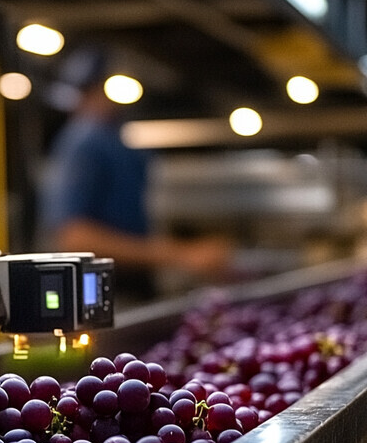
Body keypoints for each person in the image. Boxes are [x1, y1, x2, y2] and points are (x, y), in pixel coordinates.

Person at [38, 47, 233, 304]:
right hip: (102, 295)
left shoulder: (117, 140)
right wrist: (181, 255)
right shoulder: (84, 142)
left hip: (133, 288)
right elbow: (75, 236)